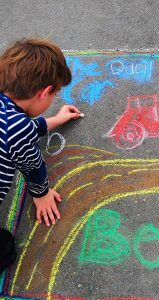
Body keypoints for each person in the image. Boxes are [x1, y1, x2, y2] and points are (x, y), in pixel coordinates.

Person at [0, 38, 81, 273]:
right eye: (55, 94)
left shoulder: (11, 119)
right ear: (44, 92)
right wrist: (41, 193)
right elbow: (33, 166)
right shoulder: (18, 129)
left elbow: (16, 128)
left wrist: (54, 121)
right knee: (5, 250)